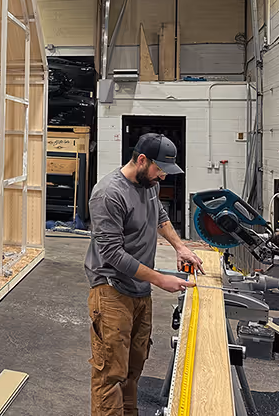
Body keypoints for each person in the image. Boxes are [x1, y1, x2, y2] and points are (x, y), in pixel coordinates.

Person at [85, 133, 204, 416]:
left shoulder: (147, 184)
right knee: (110, 374)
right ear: (141, 160)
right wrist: (161, 279)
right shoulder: (108, 194)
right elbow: (112, 254)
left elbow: (160, 216)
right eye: (159, 170)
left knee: (133, 369)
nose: (161, 177)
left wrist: (180, 246)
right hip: (112, 291)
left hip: (140, 290)